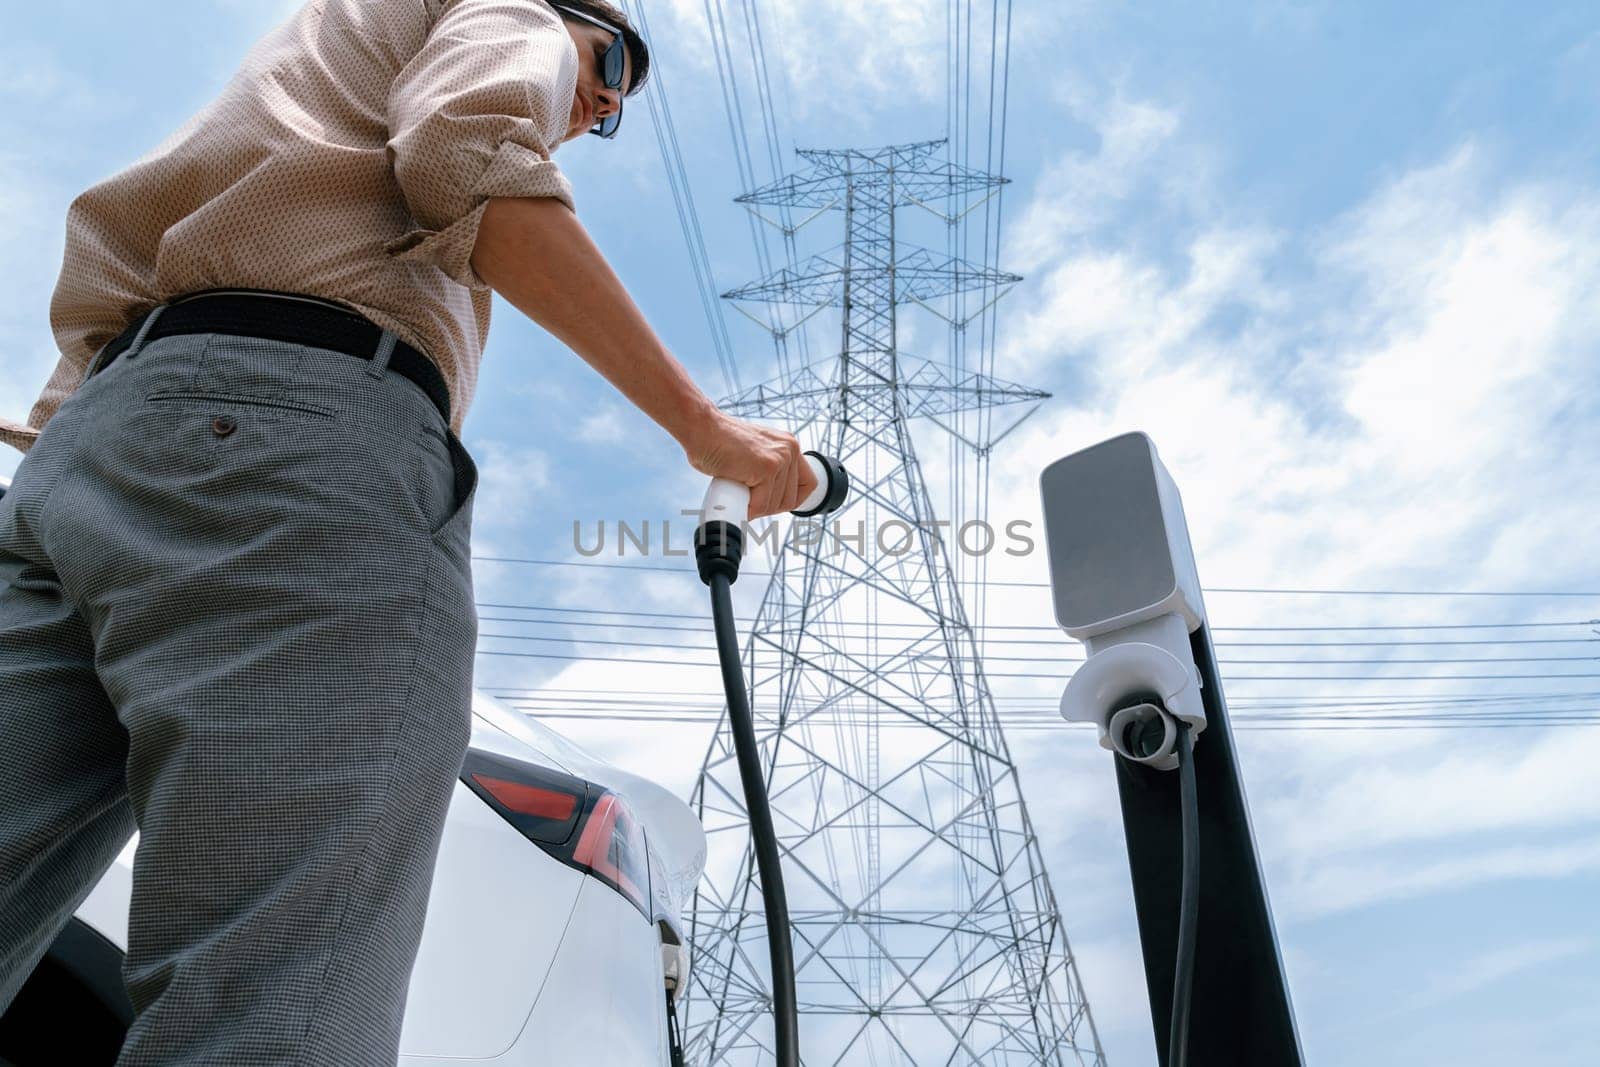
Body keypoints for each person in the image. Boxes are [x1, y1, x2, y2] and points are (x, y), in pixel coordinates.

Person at [0, 0, 813, 1062]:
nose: (604, 99)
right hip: (296, 455)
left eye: (617, 102)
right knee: (274, 1008)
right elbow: (466, 147)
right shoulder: (502, 9)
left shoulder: (304, 71)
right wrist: (704, 430)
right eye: (610, 57)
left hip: (85, 456)